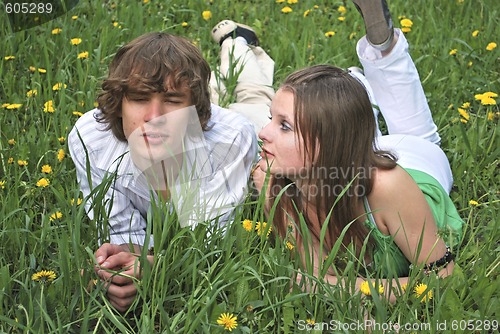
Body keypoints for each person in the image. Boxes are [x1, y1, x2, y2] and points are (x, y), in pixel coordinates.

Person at [252, 0, 464, 300]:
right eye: (271, 118)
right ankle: (359, 82)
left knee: (421, 136)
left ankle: (383, 54)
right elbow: (314, 271)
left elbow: (444, 278)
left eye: (284, 125)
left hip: (418, 165)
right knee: (349, 119)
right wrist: (277, 202)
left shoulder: (389, 188)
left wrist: (351, 289)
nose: (263, 132)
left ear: (327, 144)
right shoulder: (280, 180)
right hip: (348, 155)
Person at [68, 29, 273, 311]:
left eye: (173, 102)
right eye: (139, 99)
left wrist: (157, 267)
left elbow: (210, 242)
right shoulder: (91, 138)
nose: (154, 118)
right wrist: (120, 265)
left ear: (197, 111)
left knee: (254, 95)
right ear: (119, 104)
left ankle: (236, 42)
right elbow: (123, 233)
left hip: (251, 120)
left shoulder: (231, 139)